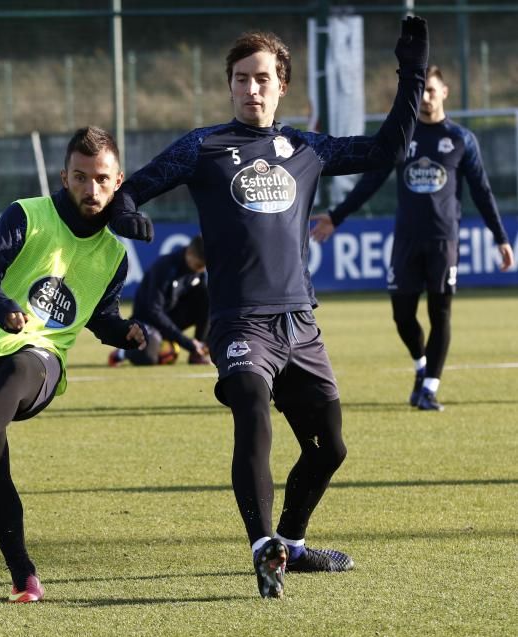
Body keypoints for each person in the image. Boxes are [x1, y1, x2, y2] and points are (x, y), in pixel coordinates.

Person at [107, 18, 429, 598]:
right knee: (251, 408)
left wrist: (410, 74)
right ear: (229, 86)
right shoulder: (201, 147)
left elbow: (390, 148)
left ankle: (293, 544)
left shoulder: (305, 147)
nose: (250, 89)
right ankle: (262, 547)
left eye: (261, 79)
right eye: (240, 79)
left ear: (282, 85)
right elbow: (132, 186)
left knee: (329, 448)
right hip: (238, 321)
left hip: (300, 322)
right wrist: (127, 212)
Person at [0, 125, 146, 603]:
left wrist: (125, 332)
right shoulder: (26, 214)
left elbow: (101, 317)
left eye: (102, 179)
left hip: (40, 363)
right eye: (81, 177)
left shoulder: (113, 255)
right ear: (64, 177)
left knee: (26, 363)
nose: (92, 189)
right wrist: (3, 307)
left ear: (118, 181)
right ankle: (23, 576)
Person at [309, 65, 515, 411]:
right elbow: (371, 181)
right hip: (406, 240)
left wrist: (500, 237)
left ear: (445, 92)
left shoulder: (462, 139)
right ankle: (422, 365)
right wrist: (336, 216)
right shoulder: (403, 138)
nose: (426, 97)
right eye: (422, 92)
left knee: (441, 312)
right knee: (402, 315)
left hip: (443, 240)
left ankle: (429, 388)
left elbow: (482, 191)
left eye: (432, 90)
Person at [109, 236, 210, 366]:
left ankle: (197, 353)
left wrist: (206, 343)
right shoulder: (165, 267)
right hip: (147, 321)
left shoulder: (198, 272)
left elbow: (203, 304)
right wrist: (185, 342)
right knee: (148, 359)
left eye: (203, 267)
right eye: (198, 265)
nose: (199, 270)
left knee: (208, 298)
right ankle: (121, 353)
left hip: (169, 319)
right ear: (189, 253)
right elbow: (153, 310)